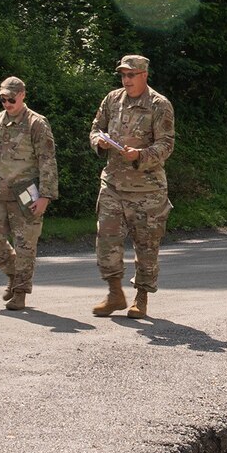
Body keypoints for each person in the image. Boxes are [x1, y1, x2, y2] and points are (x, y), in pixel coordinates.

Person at [88, 54, 175, 318]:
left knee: (146, 247)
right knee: (106, 241)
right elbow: (95, 128)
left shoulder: (160, 105)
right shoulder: (112, 99)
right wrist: (99, 142)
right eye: (123, 75)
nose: (126, 80)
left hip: (147, 191)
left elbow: (166, 145)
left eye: (131, 75)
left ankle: (141, 298)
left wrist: (140, 155)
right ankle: (115, 294)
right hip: (113, 184)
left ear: (144, 75)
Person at [0, 76, 57, 311]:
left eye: (11, 98)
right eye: (3, 98)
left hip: (26, 193)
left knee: (25, 244)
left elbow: (47, 161)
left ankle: (20, 291)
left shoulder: (36, 123)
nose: (7, 103)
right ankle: (13, 273)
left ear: (22, 95)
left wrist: (46, 196)